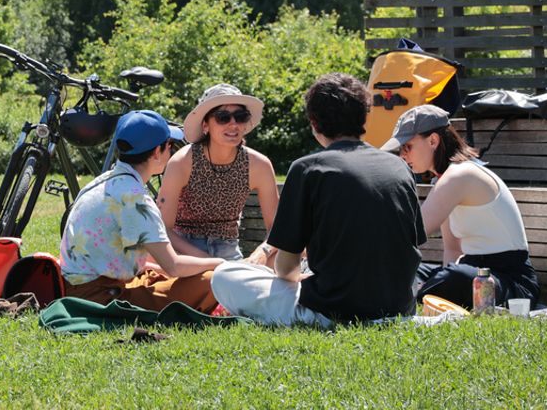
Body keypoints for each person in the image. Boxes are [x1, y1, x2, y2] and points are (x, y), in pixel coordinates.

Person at [210, 73, 426, 326]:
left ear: (314, 122)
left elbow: (286, 266)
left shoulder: (307, 169)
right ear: (364, 116)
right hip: (398, 306)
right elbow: (411, 246)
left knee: (225, 275)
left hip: (332, 311)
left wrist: (303, 276)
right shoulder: (399, 167)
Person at [59, 109, 225, 313]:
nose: (171, 151)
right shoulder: (136, 199)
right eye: (169, 145)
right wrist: (221, 263)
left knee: (177, 276)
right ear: (157, 152)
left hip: (81, 288)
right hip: (103, 297)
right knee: (211, 281)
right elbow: (173, 265)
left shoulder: (101, 182)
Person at [381, 105, 540, 309]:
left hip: (511, 283)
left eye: (408, 146)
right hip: (473, 271)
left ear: (433, 140)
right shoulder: (445, 179)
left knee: (455, 276)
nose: (402, 155)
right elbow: (453, 250)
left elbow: (411, 232)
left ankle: (404, 295)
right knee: (421, 271)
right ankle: (413, 293)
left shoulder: (460, 175)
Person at [157, 84, 279, 262]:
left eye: (240, 117)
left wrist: (261, 254)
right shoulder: (182, 162)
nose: (233, 124)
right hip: (184, 250)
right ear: (205, 125)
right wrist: (210, 262)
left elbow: (277, 228)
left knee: (279, 262)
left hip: (228, 249)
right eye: (223, 117)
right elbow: (164, 229)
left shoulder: (259, 165)